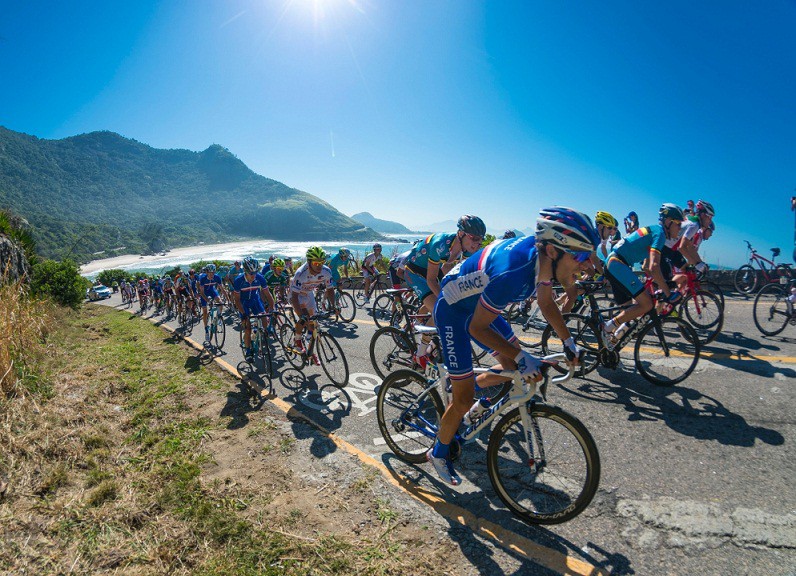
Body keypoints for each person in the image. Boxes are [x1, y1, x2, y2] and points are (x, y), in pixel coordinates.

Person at [426, 206, 598, 485]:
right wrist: (522, 356)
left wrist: (568, 341)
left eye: (589, 257)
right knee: (465, 399)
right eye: (580, 256)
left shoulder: (542, 260)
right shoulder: (514, 272)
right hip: (455, 311)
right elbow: (476, 327)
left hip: (479, 304)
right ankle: (438, 452)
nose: (587, 265)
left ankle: (464, 383)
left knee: (510, 365)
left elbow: (545, 302)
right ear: (554, 251)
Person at [602, 204, 684, 345]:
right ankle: (606, 327)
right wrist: (668, 293)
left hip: (615, 263)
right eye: (678, 224)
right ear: (668, 221)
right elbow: (654, 266)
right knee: (646, 304)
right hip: (617, 264)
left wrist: (660, 284)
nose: (680, 228)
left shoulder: (654, 231)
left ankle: (609, 345)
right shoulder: (660, 234)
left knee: (630, 314)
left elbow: (646, 266)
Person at [404, 215, 486, 329]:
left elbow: (450, 270)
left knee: (451, 303)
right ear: (461, 234)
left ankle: (419, 322)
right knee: (441, 312)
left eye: (481, 240)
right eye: (475, 238)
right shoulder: (440, 244)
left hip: (434, 269)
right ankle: (423, 347)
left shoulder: (468, 248)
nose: (478, 243)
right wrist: (448, 300)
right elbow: (431, 280)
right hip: (414, 272)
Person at [289, 246, 334, 360]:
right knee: (305, 319)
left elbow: (330, 289)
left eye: (321, 262)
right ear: (309, 262)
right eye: (315, 262)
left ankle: (309, 349)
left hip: (309, 293)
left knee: (313, 323)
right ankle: (297, 339)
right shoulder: (301, 273)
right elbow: (294, 298)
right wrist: (301, 315)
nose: (319, 265)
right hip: (297, 295)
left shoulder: (326, 271)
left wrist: (334, 306)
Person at [233, 256, 275, 360]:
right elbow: (237, 300)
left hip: (255, 300)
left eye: (255, 272)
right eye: (251, 273)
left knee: (264, 318)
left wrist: (272, 308)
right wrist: (243, 314)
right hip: (243, 302)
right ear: (245, 271)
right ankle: (248, 351)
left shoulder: (259, 277)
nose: (254, 275)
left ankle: (258, 333)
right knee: (247, 328)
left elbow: (268, 294)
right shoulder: (238, 280)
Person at [197, 264, 225, 344]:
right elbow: (201, 293)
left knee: (220, 302)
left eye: (213, 272)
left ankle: (218, 318)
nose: (212, 274)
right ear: (206, 272)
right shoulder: (202, 278)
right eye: (210, 273)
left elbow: (222, 289)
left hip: (212, 290)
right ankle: (206, 330)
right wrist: (208, 301)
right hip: (204, 293)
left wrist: (229, 301)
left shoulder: (217, 277)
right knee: (205, 311)